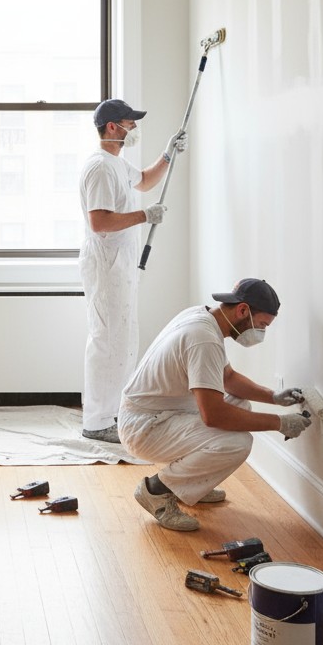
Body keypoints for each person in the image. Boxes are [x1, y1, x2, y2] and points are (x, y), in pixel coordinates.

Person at [117, 278, 311, 531]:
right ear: (242, 310)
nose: (261, 333)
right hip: (144, 428)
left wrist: (273, 397)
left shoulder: (203, 318)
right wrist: (280, 423)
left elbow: (227, 378)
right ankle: (156, 491)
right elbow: (214, 416)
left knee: (239, 405)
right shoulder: (203, 339)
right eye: (262, 324)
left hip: (161, 412)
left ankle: (190, 483)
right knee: (237, 443)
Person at [78, 98, 186, 442]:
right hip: (105, 264)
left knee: (122, 339)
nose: (134, 127)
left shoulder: (118, 165)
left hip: (120, 264)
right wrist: (145, 216)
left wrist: (167, 156)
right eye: (130, 122)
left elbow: (143, 181)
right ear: (113, 127)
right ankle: (96, 422)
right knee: (107, 341)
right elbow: (99, 222)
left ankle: (113, 414)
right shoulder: (99, 168)